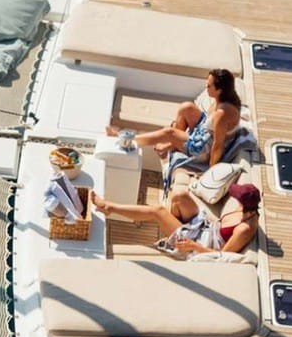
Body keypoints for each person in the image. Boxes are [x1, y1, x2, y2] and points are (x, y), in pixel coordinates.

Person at [92, 165, 261, 256]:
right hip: (204, 227)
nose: (233, 196)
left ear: (243, 203)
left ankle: (109, 207)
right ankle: (172, 233)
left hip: (200, 242)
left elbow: (222, 257)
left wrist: (193, 246)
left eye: (236, 196)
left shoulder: (244, 229)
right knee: (179, 195)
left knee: (157, 211)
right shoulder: (246, 209)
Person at [106, 69, 243, 161]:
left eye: (209, 86)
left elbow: (217, 145)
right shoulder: (222, 99)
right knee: (186, 107)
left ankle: (125, 139)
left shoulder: (222, 114)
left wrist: (210, 171)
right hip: (204, 131)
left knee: (169, 132)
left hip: (203, 148)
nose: (205, 87)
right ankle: (171, 145)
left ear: (219, 90)